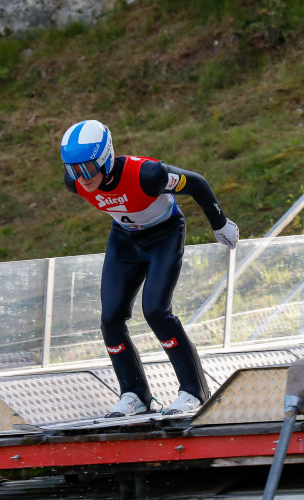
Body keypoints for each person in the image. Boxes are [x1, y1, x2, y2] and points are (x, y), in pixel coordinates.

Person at [60, 119, 239, 417]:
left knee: (156, 311)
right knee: (110, 318)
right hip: (125, 239)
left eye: (87, 168)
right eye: (72, 169)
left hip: (164, 235)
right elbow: (102, 191)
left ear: (104, 159)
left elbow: (195, 182)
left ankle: (194, 391)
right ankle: (134, 394)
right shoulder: (75, 183)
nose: (81, 177)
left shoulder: (148, 174)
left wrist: (220, 223)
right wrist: (82, 175)